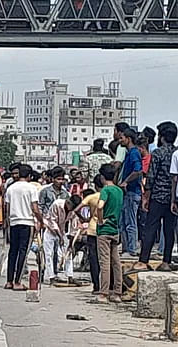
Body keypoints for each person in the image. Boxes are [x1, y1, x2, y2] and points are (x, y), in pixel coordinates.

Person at [135, 123, 178, 271]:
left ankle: (143, 260)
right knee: (169, 229)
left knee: (151, 228)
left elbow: (151, 177)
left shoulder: (158, 153)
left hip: (158, 195)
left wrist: (146, 197)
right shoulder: (176, 153)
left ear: (163, 137)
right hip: (173, 198)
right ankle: (166, 260)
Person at [4, 164, 43, 291]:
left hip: (14, 222)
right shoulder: (31, 188)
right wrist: (41, 221)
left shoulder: (11, 188)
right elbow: (35, 208)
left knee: (12, 251)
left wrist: (7, 221)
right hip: (27, 222)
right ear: (30, 176)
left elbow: (7, 208)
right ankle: (17, 281)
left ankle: (9, 280)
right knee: (23, 252)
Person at [94, 164, 124, 304]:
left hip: (104, 230)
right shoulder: (119, 191)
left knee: (104, 262)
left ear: (102, 177)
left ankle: (104, 293)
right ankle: (117, 292)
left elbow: (100, 206)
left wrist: (100, 220)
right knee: (116, 262)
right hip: (115, 229)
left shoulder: (106, 190)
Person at [119, 128, 143, 257]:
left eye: (122, 138)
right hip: (127, 193)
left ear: (128, 139)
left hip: (132, 192)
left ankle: (132, 249)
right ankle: (126, 247)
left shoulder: (134, 153)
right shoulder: (129, 153)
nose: (120, 140)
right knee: (124, 221)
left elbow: (138, 170)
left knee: (130, 221)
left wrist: (126, 182)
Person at [74, 182, 101, 294]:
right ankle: (107, 285)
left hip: (93, 229)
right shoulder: (113, 194)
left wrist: (85, 219)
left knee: (93, 258)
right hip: (108, 229)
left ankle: (96, 285)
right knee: (106, 259)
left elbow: (76, 209)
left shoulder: (92, 197)